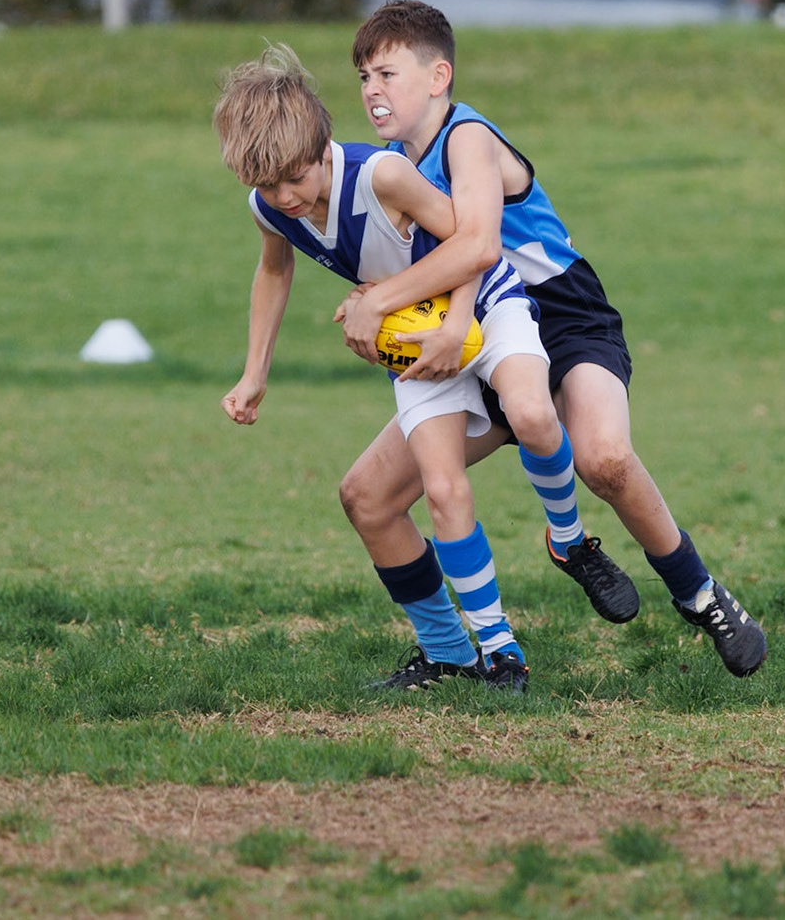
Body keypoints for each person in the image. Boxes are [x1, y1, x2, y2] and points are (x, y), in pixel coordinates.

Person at [334, 0, 766, 677]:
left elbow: (478, 244)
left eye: (387, 74)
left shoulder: (467, 137)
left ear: (439, 76)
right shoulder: (389, 168)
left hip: (561, 318)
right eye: (363, 77)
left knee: (606, 459)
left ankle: (700, 594)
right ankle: (449, 655)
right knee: (368, 495)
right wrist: (368, 302)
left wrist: (383, 302)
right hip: (477, 340)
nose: (371, 90)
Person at [215, 43, 582, 693]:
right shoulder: (270, 205)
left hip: (484, 310)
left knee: (531, 412)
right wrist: (254, 374)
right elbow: (274, 270)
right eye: (267, 186)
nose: (283, 196)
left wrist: (436, 320)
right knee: (414, 494)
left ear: (321, 147)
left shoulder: (382, 175)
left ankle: (566, 545)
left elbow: (472, 244)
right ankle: (463, 653)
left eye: (294, 178)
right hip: (416, 348)